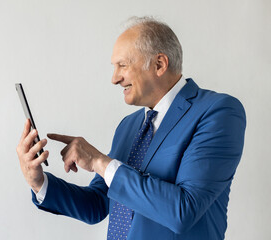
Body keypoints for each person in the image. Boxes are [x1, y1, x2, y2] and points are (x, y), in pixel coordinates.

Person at [16, 16, 246, 240]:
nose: (114, 78)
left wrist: (99, 162)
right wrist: (38, 182)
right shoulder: (129, 125)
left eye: (122, 65)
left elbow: (183, 210)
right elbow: (97, 203)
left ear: (159, 64)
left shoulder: (218, 112)